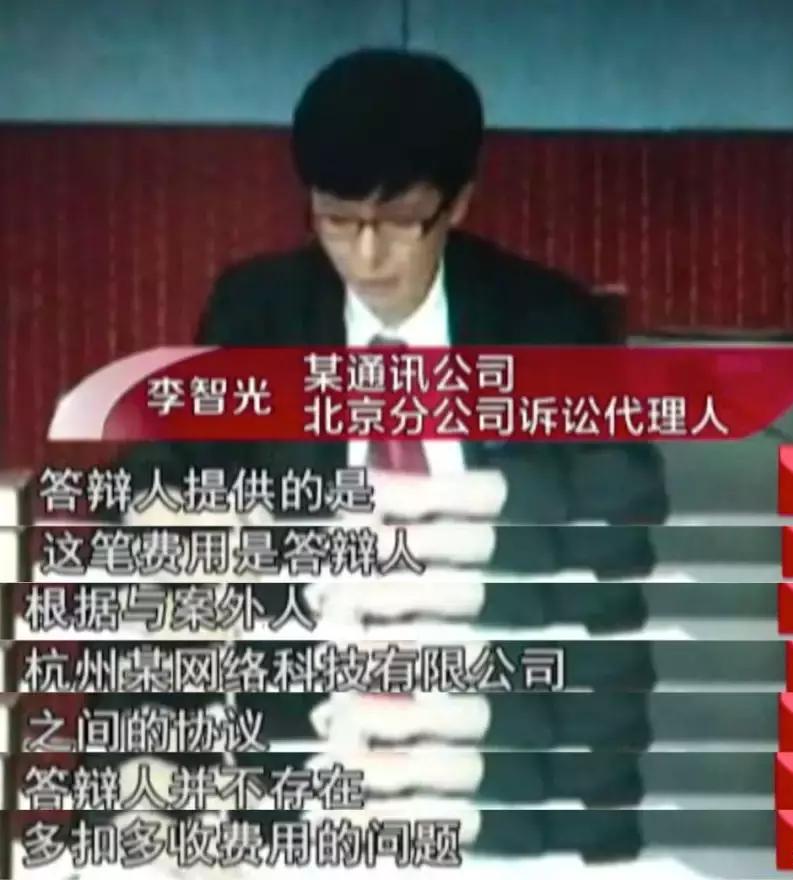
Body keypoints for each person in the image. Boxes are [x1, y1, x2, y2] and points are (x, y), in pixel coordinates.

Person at [98, 48, 669, 866]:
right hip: (309, 762)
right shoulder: (259, 315)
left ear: (457, 203)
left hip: (488, 761)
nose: (366, 258)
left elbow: (615, 537)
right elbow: (162, 499)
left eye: (399, 223)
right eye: (337, 221)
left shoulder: (547, 325)